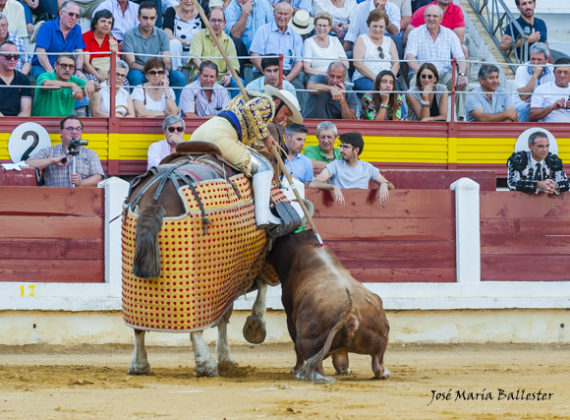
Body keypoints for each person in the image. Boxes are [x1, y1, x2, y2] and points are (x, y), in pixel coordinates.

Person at [189, 86, 303, 235]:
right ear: (278, 103)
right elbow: (251, 110)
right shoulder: (267, 103)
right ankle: (264, 217)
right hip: (220, 135)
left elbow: (246, 135)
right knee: (264, 168)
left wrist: (265, 147)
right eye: (285, 113)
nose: (284, 119)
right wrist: (267, 136)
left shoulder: (253, 106)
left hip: (201, 132)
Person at [405, 4, 467, 120]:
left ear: (441, 19)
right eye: (428, 16)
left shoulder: (450, 35)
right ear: (424, 18)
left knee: (463, 81)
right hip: (421, 74)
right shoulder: (415, 33)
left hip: (443, 75)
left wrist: (461, 74)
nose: (431, 19)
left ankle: (460, 119)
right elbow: (410, 57)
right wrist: (424, 74)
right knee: (414, 83)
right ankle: (415, 120)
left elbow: (461, 58)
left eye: (435, 16)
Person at [122, 1, 186, 102]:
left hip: (156, 70)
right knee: (135, 76)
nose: (148, 21)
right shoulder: (129, 34)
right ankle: (137, 107)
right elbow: (131, 63)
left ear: (156, 18)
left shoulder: (162, 34)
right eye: (145, 18)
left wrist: (164, 72)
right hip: (139, 70)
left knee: (179, 77)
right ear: (138, 17)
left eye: (152, 18)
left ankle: (174, 109)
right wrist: (151, 71)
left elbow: (167, 61)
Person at [309, 131, 392, 206]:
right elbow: (313, 184)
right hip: (339, 210)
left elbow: (390, 185)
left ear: (356, 150)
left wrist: (384, 184)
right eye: (340, 146)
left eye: (345, 147)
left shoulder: (367, 167)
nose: (341, 150)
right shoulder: (335, 165)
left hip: (361, 210)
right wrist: (333, 187)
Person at [26, 116, 105, 188]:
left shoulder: (90, 154)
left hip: (81, 199)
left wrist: (80, 183)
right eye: (70, 128)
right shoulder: (49, 152)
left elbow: (98, 178)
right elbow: (28, 164)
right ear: (61, 132)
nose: (74, 132)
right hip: (53, 199)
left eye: (78, 128)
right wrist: (52, 161)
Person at [249, 1, 304, 93]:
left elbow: (299, 63)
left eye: (286, 14)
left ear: (290, 15)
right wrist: (269, 73)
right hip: (265, 72)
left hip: (287, 74)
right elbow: (254, 56)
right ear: (274, 13)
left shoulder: (296, 35)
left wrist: (286, 80)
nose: (282, 17)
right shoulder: (263, 30)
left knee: (299, 88)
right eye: (280, 13)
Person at [187, 9, 241, 96]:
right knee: (199, 79)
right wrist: (208, 74)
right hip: (202, 75)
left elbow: (233, 65)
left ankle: (235, 109)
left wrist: (229, 76)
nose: (216, 24)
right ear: (207, 22)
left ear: (224, 24)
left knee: (239, 82)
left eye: (220, 21)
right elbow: (195, 58)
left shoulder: (228, 41)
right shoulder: (199, 35)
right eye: (213, 20)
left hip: (222, 77)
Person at [31, 1, 86, 80]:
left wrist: (78, 70)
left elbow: (79, 53)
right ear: (60, 13)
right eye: (71, 14)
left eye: (77, 16)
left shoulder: (77, 28)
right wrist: (51, 72)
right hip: (42, 67)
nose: (74, 18)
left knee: (85, 83)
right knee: (52, 84)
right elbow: (40, 51)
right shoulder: (47, 26)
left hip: (65, 68)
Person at [32, 54, 98, 116]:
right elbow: (46, 84)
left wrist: (91, 83)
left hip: (64, 126)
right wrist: (72, 85)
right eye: (63, 65)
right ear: (55, 65)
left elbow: (98, 87)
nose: (67, 69)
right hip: (41, 125)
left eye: (71, 66)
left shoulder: (74, 79)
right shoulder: (46, 76)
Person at [507, 130, 568, 194]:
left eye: (547, 146)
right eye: (540, 146)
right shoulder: (518, 159)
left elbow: (566, 184)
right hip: (522, 202)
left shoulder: (553, 160)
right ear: (530, 146)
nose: (545, 150)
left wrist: (555, 185)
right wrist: (537, 184)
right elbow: (512, 185)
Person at [352, 9, 399, 93]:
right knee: (377, 92)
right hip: (365, 77)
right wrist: (377, 79)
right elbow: (357, 63)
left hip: (388, 78)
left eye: (381, 27)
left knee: (395, 94)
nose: (378, 29)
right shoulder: (361, 39)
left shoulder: (389, 40)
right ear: (369, 25)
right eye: (375, 26)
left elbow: (396, 63)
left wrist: (389, 80)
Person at [512, 42, 553, 122]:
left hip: (543, 103)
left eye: (539, 59)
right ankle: (522, 132)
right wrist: (535, 75)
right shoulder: (522, 69)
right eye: (533, 59)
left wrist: (538, 101)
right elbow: (523, 97)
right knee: (528, 108)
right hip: (522, 104)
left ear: (547, 60)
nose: (535, 62)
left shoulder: (552, 69)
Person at [303, 12, 349, 79]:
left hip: (337, 77)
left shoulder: (335, 40)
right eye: (319, 25)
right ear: (314, 26)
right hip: (318, 77)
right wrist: (326, 75)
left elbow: (346, 64)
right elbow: (306, 68)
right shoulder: (309, 42)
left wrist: (334, 76)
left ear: (330, 27)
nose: (321, 28)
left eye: (324, 26)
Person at [163, 0, 202, 72]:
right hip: (175, 52)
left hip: (195, 52)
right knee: (174, 43)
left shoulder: (201, 13)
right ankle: (176, 72)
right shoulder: (171, 11)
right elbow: (167, 35)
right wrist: (187, 42)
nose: (189, 1)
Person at [82, 9, 118, 83]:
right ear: (95, 23)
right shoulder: (85, 37)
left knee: (124, 82)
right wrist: (100, 77)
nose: (106, 25)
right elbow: (85, 64)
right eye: (103, 21)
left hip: (109, 74)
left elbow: (117, 63)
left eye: (109, 23)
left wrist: (110, 77)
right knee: (93, 82)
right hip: (91, 73)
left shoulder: (113, 40)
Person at [529, 57, 570, 123]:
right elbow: (532, 116)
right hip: (548, 130)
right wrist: (552, 107)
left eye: (565, 72)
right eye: (559, 72)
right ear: (554, 73)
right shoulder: (542, 89)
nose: (562, 75)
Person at [0, 40, 31, 116]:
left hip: (16, 123)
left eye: (16, 56)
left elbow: (26, 111)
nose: (12, 60)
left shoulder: (23, 79)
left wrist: (15, 126)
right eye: (8, 57)